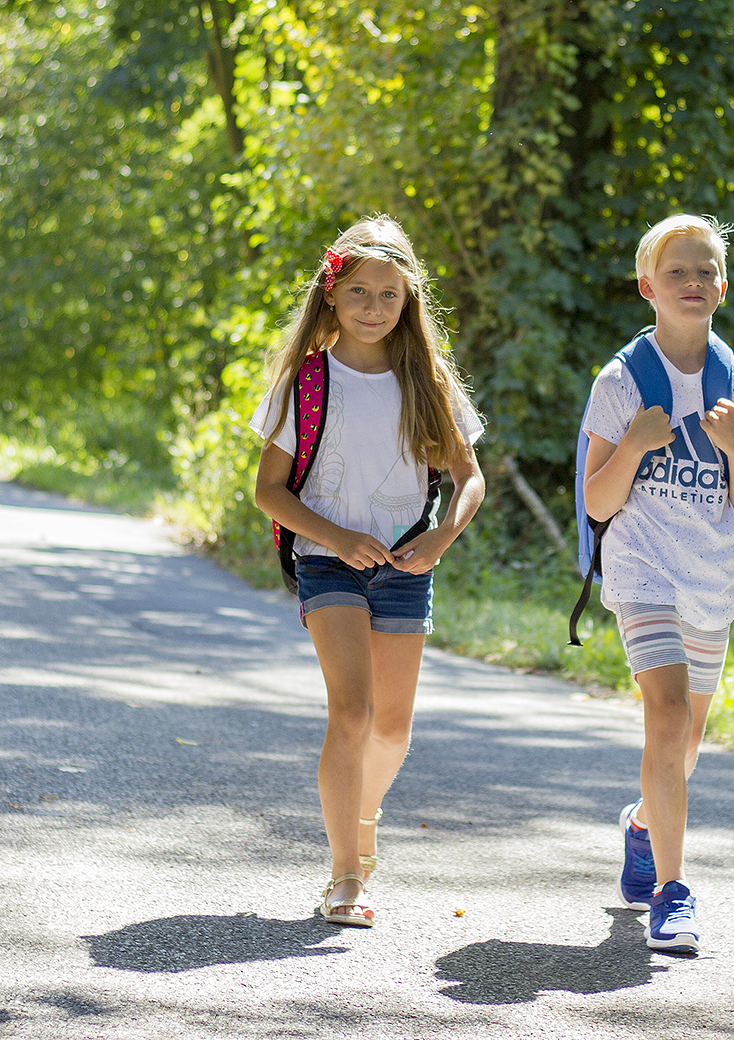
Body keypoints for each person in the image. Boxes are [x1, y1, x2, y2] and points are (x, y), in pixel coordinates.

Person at [250, 215, 485, 928]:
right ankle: (345, 873)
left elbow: (470, 477)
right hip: (328, 562)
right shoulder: (305, 381)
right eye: (359, 291)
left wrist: (443, 536)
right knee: (352, 712)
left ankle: (362, 819)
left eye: (389, 294)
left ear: (408, 300)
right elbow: (269, 492)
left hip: (408, 563)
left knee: (391, 731)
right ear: (331, 293)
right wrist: (337, 536)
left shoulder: (428, 382)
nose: (374, 307)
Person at [580, 214, 734, 953]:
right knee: (665, 720)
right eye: (676, 272)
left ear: (722, 289)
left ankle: (642, 823)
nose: (692, 282)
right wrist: (634, 444)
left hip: (710, 581)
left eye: (705, 272)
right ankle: (673, 892)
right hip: (642, 571)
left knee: (686, 744)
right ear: (647, 287)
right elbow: (598, 502)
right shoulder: (620, 382)